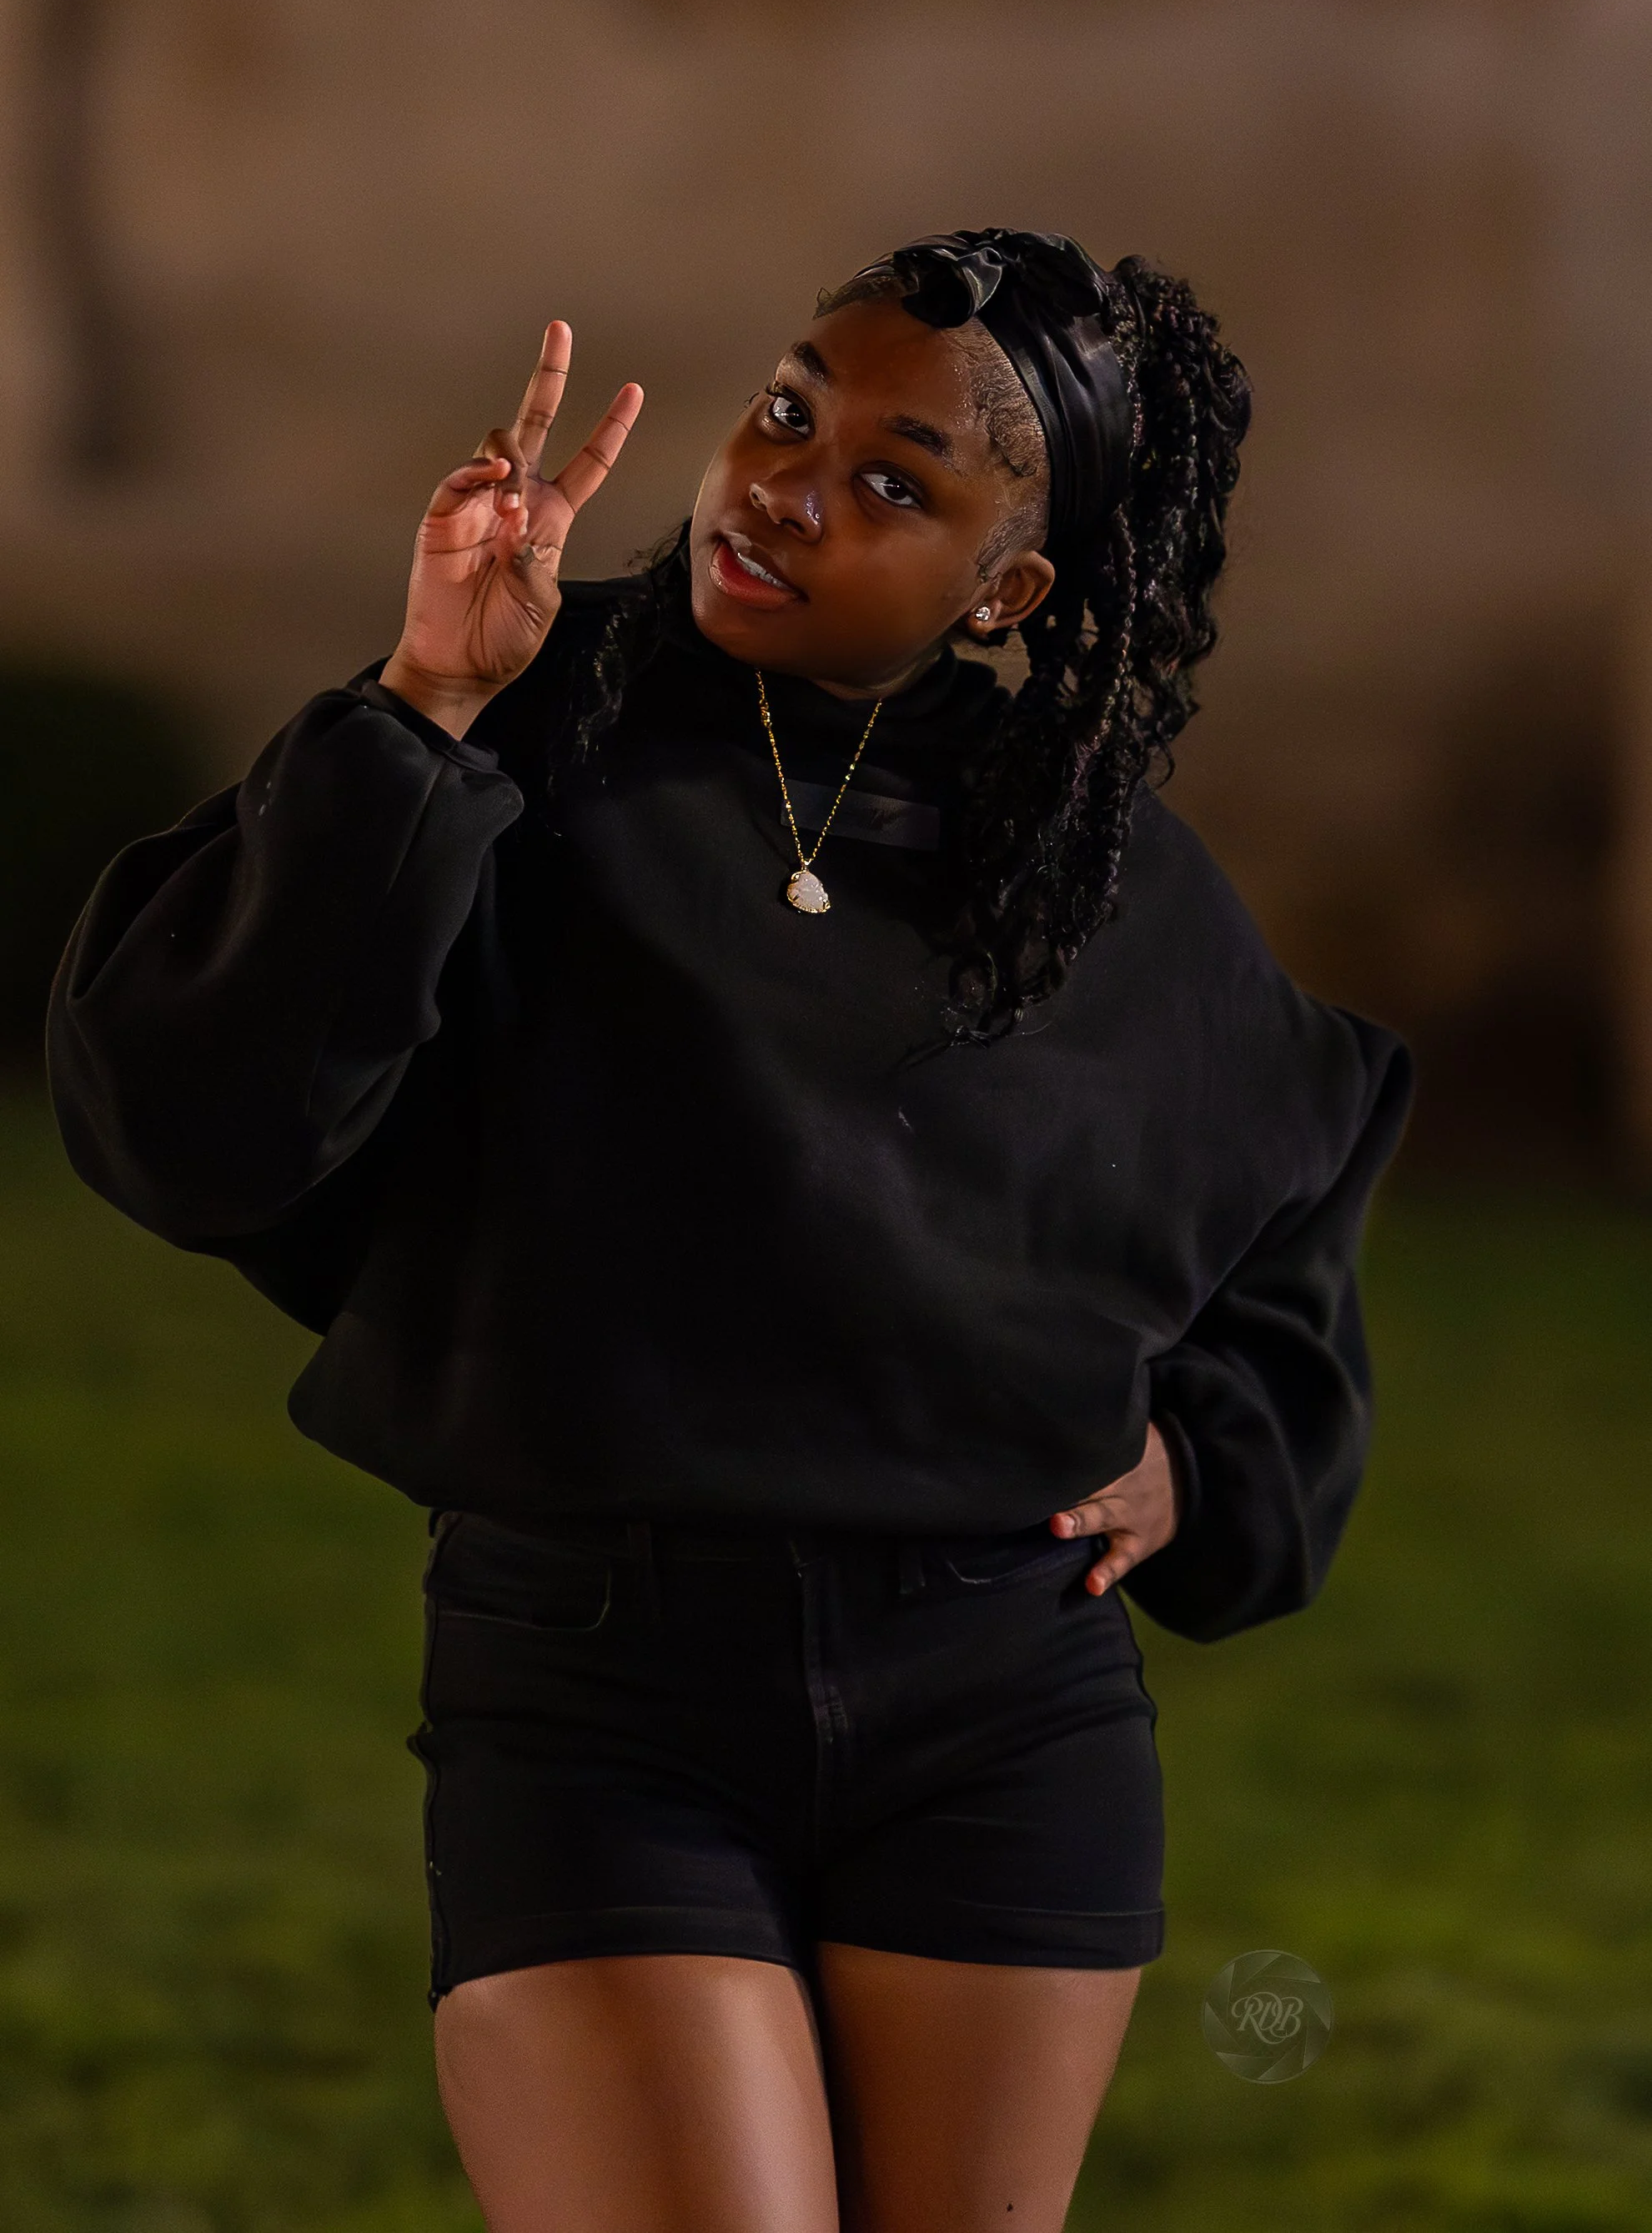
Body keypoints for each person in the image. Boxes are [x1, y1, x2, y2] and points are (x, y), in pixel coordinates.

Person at [47, 228, 1412, 2233]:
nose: (785, 484)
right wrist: (424, 700)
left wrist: (1198, 1461)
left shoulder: (1086, 868)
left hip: (1000, 1706)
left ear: (1007, 587)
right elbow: (185, 1113)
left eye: (894, 480)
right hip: (603, 1690)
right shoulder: (528, 718)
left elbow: (1285, 1180)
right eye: (789, 410)